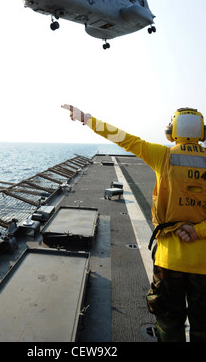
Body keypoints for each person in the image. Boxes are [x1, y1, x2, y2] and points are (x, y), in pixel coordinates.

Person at [61, 104, 206, 342]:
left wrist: (87, 119)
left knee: (169, 325)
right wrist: (197, 230)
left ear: (172, 130)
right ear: (202, 132)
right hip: (204, 265)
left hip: (169, 261)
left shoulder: (164, 156)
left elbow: (125, 139)